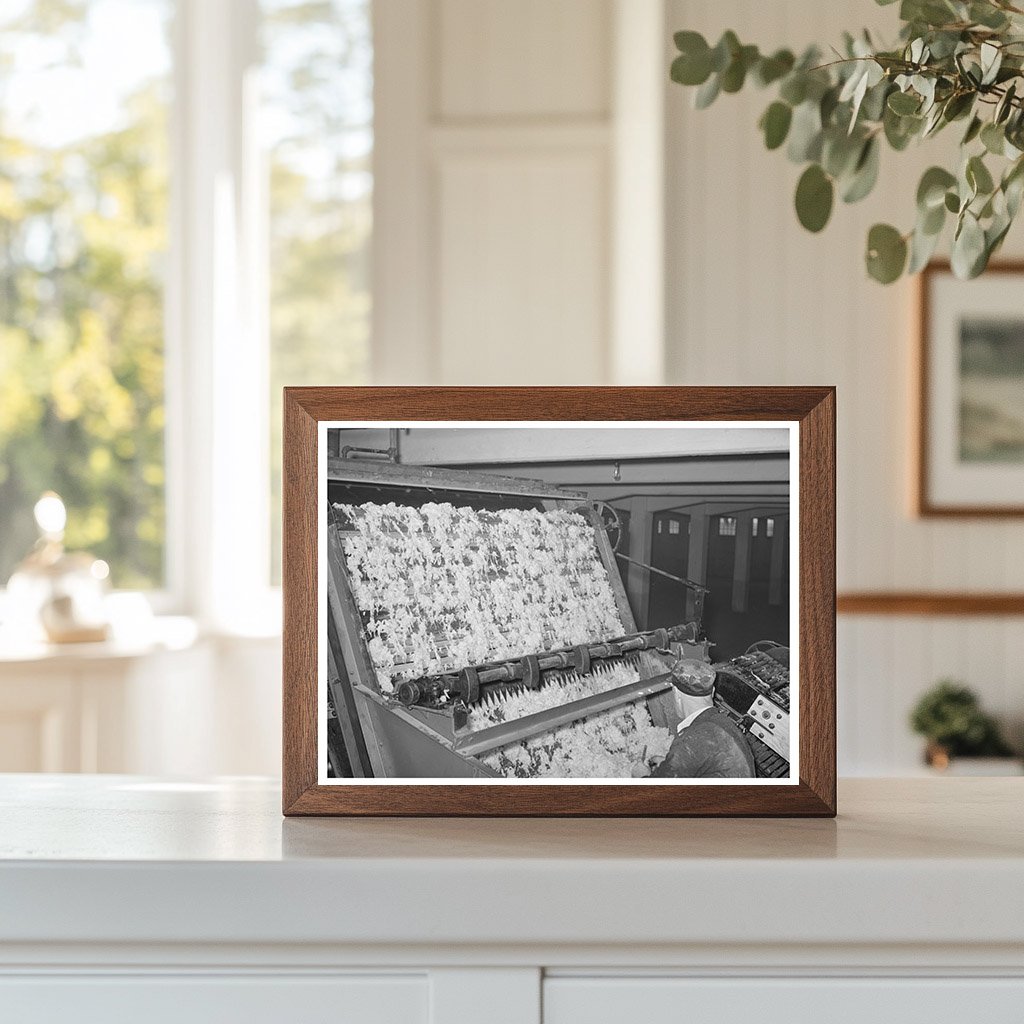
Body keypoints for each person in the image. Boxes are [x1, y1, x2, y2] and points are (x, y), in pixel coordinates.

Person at [649, 657, 755, 779]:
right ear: (713, 691)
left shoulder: (692, 739)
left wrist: (641, 775)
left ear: (676, 694)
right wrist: (670, 765)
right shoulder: (723, 722)